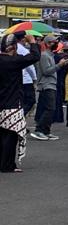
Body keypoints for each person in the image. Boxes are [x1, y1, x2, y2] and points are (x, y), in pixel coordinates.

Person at [1, 33, 39, 173]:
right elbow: (35, 57)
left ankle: (3, 163)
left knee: (2, 135)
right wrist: (33, 42)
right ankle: (7, 165)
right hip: (12, 104)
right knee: (11, 135)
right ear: (13, 47)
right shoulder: (13, 61)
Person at [31, 35, 61, 141]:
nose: (56, 44)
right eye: (54, 42)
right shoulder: (44, 55)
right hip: (46, 85)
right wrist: (59, 65)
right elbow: (46, 71)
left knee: (49, 108)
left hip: (50, 84)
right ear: (48, 43)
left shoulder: (50, 55)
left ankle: (46, 131)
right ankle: (39, 129)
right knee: (50, 108)